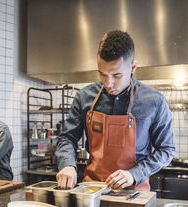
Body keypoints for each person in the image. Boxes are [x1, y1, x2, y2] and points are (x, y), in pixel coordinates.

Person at [55, 30, 175, 191]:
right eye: (102, 74)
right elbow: (67, 138)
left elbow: (166, 150)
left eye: (117, 75)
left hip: (134, 193)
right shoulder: (84, 97)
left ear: (132, 67)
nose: (108, 83)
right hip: (92, 191)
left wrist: (134, 174)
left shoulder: (154, 101)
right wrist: (67, 164)